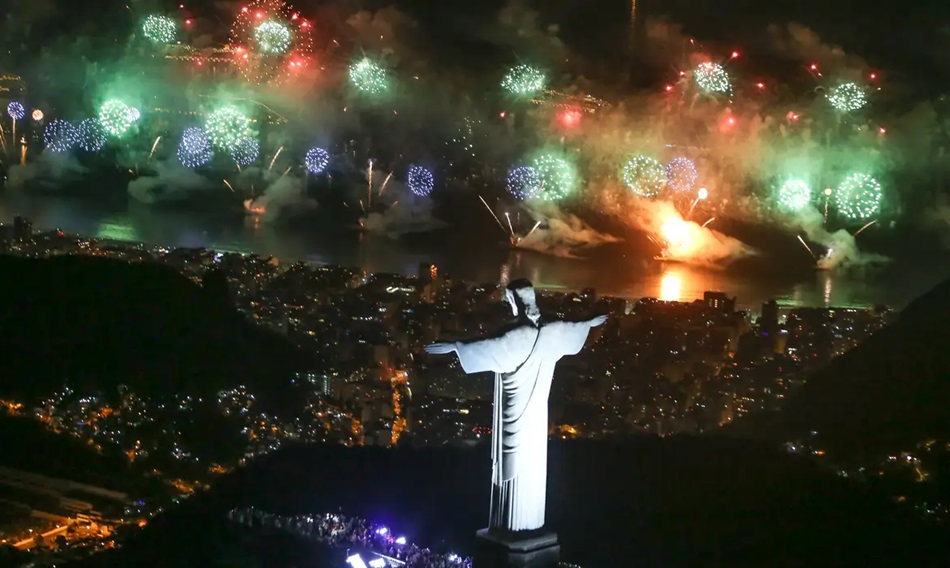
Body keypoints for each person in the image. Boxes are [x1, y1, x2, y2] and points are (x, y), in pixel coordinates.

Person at [425, 279, 606, 532]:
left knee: (512, 464)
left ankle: (510, 527)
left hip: (514, 411)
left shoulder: (515, 335)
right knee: (532, 464)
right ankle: (528, 524)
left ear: (513, 301)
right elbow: (573, 328)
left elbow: (487, 347)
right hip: (536, 415)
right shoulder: (551, 328)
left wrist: (455, 346)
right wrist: (589, 323)